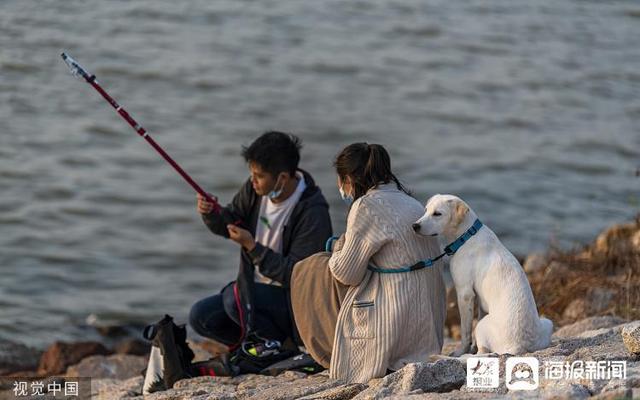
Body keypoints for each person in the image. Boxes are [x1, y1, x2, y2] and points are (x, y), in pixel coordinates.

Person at [291, 142, 447, 383]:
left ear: (349, 179)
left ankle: (326, 352)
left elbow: (346, 273)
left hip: (394, 330)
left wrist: (339, 246)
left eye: (340, 179)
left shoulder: (366, 206)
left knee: (311, 269)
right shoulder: (412, 203)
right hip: (426, 332)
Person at [189, 131, 332, 350]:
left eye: (259, 175)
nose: (253, 181)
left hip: (293, 305)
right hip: (256, 290)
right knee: (200, 316)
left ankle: (282, 347)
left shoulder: (313, 212)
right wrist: (211, 212)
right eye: (251, 174)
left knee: (233, 298)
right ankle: (257, 347)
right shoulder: (255, 190)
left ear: (282, 178)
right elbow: (229, 224)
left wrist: (252, 247)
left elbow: (297, 276)